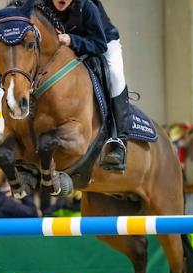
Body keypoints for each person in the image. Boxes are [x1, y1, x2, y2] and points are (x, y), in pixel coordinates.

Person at [44, 0, 130, 170]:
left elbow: (99, 44)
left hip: (102, 43)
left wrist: (71, 39)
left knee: (115, 75)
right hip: (68, 47)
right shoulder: (41, 5)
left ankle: (120, 140)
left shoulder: (87, 7)